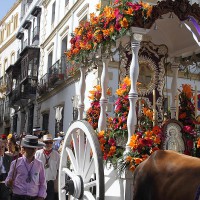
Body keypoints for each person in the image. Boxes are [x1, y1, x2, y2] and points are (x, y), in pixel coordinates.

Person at [5, 135, 47, 200]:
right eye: (30, 148)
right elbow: (8, 179)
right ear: (24, 148)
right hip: (18, 197)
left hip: (33, 197)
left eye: (35, 148)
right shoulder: (15, 163)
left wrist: (41, 196)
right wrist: (9, 182)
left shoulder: (39, 164)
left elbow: (43, 183)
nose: (33, 150)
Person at [35, 134, 60, 200]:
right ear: (43, 143)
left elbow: (58, 170)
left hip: (50, 183)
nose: (48, 144)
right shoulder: (37, 153)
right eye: (46, 142)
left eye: (50, 142)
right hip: (39, 182)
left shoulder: (56, 154)